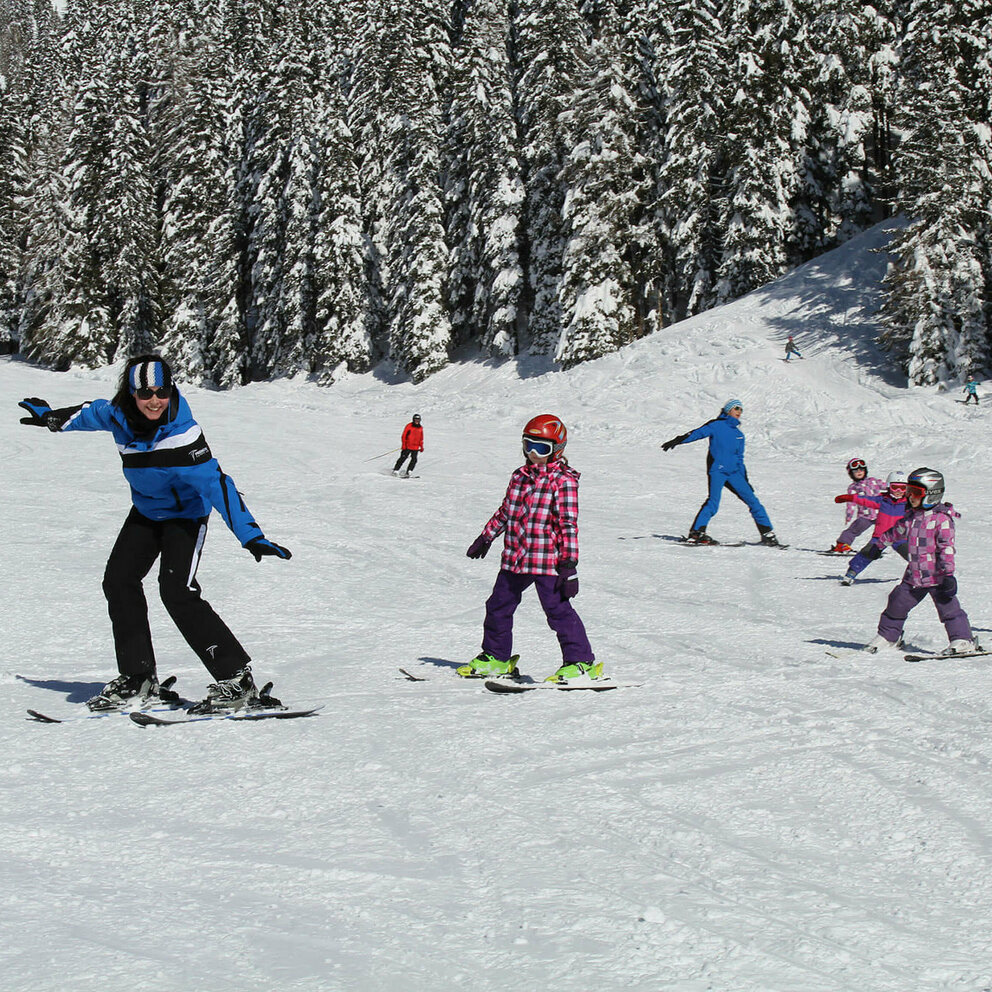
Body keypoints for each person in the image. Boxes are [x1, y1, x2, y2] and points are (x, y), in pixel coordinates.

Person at [18, 354, 292, 713]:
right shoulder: (117, 414)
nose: (154, 400)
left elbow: (218, 485)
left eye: (162, 391)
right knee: (118, 581)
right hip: (146, 512)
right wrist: (53, 418)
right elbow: (87, 413)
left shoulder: (183, 435)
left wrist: (250, 535)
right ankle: (137, 677)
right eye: (145, 392)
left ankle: (236, 679)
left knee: (176, 590)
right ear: (130, 393)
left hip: (185, 518)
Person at [460, 414, 600, 683]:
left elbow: (567, 525)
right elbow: (506, 511)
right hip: (515, 559)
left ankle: (581, 662)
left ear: (557, 450)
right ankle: (497, 657)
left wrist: (569, 565)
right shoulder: (519, 476)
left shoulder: (564, 481)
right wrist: (486, 536)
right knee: (498, 606)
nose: (534, 453)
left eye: (542, 448)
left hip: (547, 562)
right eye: (529, 445)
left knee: (557, 612)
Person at [862, 467, 980, 655]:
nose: (910, 497)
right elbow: (895, 532)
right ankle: (889, 637)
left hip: (938, 576)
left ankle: (963, 640)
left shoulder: (942, 519)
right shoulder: (910, 517)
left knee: (949, 610)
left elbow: (947, 549)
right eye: (909, 491)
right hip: (914, 576)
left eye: (916, 493)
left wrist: (949, 574)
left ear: (931, 495)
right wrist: (878, 546)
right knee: (896, 603)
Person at [661, 399, 779, 546]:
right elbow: (697, 433)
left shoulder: (739, 435)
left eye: (741, 409)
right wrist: (677, 440)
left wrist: (745, 480)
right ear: (728, 410)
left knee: (754, 502)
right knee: (713, 503)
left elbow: (739, 459)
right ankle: (697, 533)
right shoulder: (716, 425)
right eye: (736, 408)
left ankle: (768, 535)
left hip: (735, 473)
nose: (739, 412)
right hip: (718, 471)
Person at [834, 471, 910, 585]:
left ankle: (926, 575)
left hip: (900, 536)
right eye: (895, 487)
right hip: (881, 536)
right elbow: (864, 499)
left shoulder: (908, 504)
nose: (899, 491)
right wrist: (849, 497)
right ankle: (851, 573)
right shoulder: (882, 500)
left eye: (903, 488)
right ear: (889, 486)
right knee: (868, 553)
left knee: (913, 555)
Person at [829, 457, 884, 552]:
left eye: (861, 470)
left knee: (890, 529)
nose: (859, 472)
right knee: (855, 529)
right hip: (866, 515)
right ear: (851, 474)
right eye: (856, 471)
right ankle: (842, 545)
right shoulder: (853, 487)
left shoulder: (873, 481)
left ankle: (893, 545)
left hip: (881, 512)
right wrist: (849, 515)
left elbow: (887, 486)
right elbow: (851, 502)